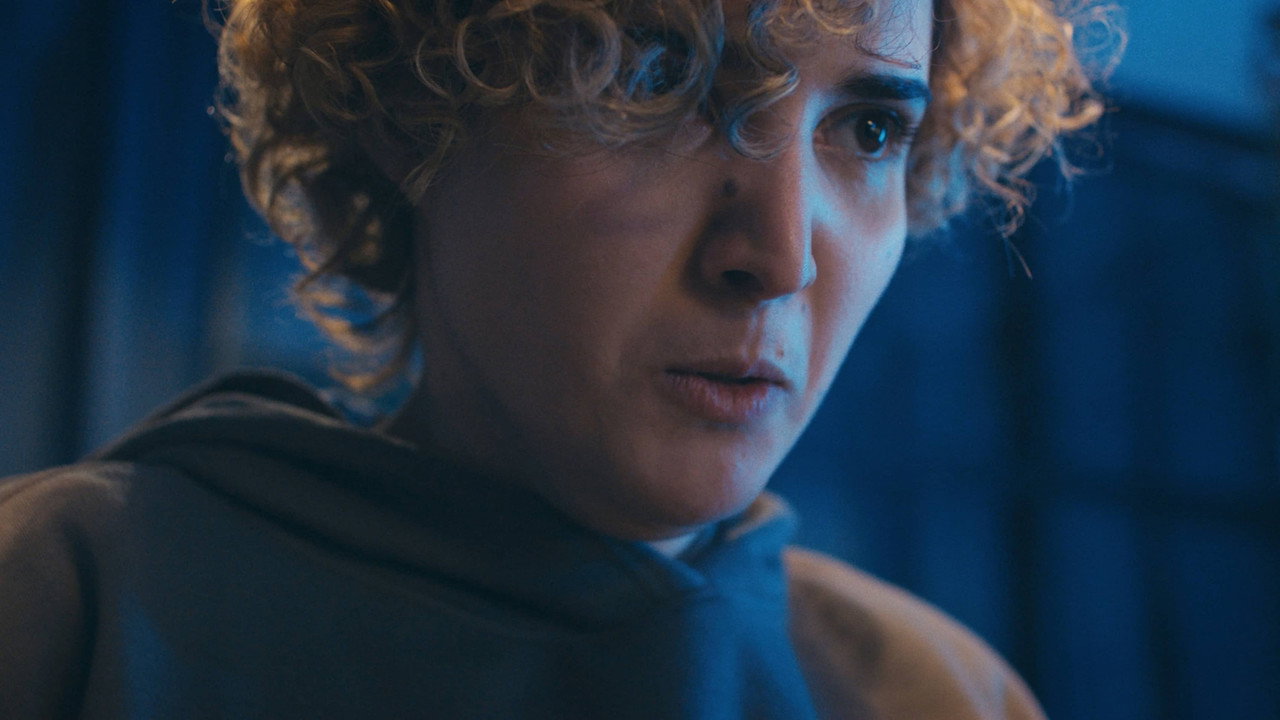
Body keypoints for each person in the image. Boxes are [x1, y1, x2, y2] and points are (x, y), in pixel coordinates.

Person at [0, 0, 1116, 717]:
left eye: (869, 130)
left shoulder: (939, 696)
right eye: (657, 81)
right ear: (407, 104)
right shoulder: (62, 603)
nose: (779, 254)